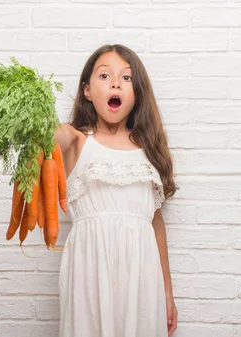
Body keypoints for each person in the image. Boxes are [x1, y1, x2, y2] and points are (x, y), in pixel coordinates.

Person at [53, 44, 178, 337]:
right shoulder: (77, 141)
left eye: (126, 78)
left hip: (141, 271)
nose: (115, 83)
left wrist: (167, 293)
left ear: (136, 92)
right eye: (104, 76)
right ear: (87, 90)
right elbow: (51, 137)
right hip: (89, 268)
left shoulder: (149, 152)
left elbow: (156, 224)